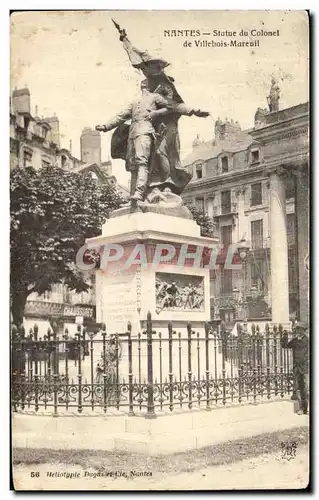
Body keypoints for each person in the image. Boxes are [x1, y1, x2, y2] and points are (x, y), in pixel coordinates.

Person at [96, 80, 208, 202]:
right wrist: (106, 126)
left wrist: (193, 111)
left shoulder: (155, 97)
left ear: (149, 86)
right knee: (133, 166)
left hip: (145, 133)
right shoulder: (135, 101)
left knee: (142, 162)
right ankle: (134, 196)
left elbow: (174, 106)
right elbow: (120, 116)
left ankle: (139, 193)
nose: (143, 85)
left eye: (146, 84)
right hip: (132, 135)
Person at [281, 322, 309, 414]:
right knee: (298, 388)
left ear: (304, 331)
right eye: (297, 329)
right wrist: (284, 337)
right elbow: (284, 346)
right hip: (296, 367)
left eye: (300, 329)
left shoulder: (308, 340)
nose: (298, 331)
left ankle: (306, 407)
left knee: (306, 389)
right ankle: (301, 408)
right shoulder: (294, 340)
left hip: (305, 368)